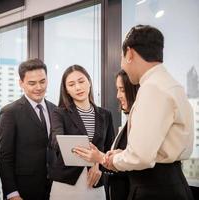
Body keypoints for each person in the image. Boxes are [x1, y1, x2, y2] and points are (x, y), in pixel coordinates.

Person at [79, 25, 194, 200]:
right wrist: (122, 153)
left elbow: (140, 157)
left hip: (154, 188)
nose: (122, 63)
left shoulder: (152, 88)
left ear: (130, 53)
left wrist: (106, 159)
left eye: (121, 57)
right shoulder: (171, 84)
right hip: (171, 182)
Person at [48, 65, 115, 200]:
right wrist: (93, 159)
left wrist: (99, 165)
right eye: (71, 84)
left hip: (95, 182)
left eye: (81, 81)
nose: (78, 87)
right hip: (66, 184)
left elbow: (109, 150)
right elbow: (56, 141)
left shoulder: (105, 115)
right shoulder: (60, 113)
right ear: (66, 90)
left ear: (89, 82)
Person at [74, 69, 139, 200]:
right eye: (117, 89)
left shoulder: (138, 122)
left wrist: (100, 158)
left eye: (122, 89)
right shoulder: (129, 122)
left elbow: (137, 159)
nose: (118, 95)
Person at [0, 58, 56, 200]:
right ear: (21, 83)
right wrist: (12, 193)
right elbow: (4, 157)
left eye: (42, 82)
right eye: (32, 83)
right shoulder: (10, 112)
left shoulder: (56, 110)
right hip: (23, 190)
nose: (39, 87)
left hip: (55, 188)